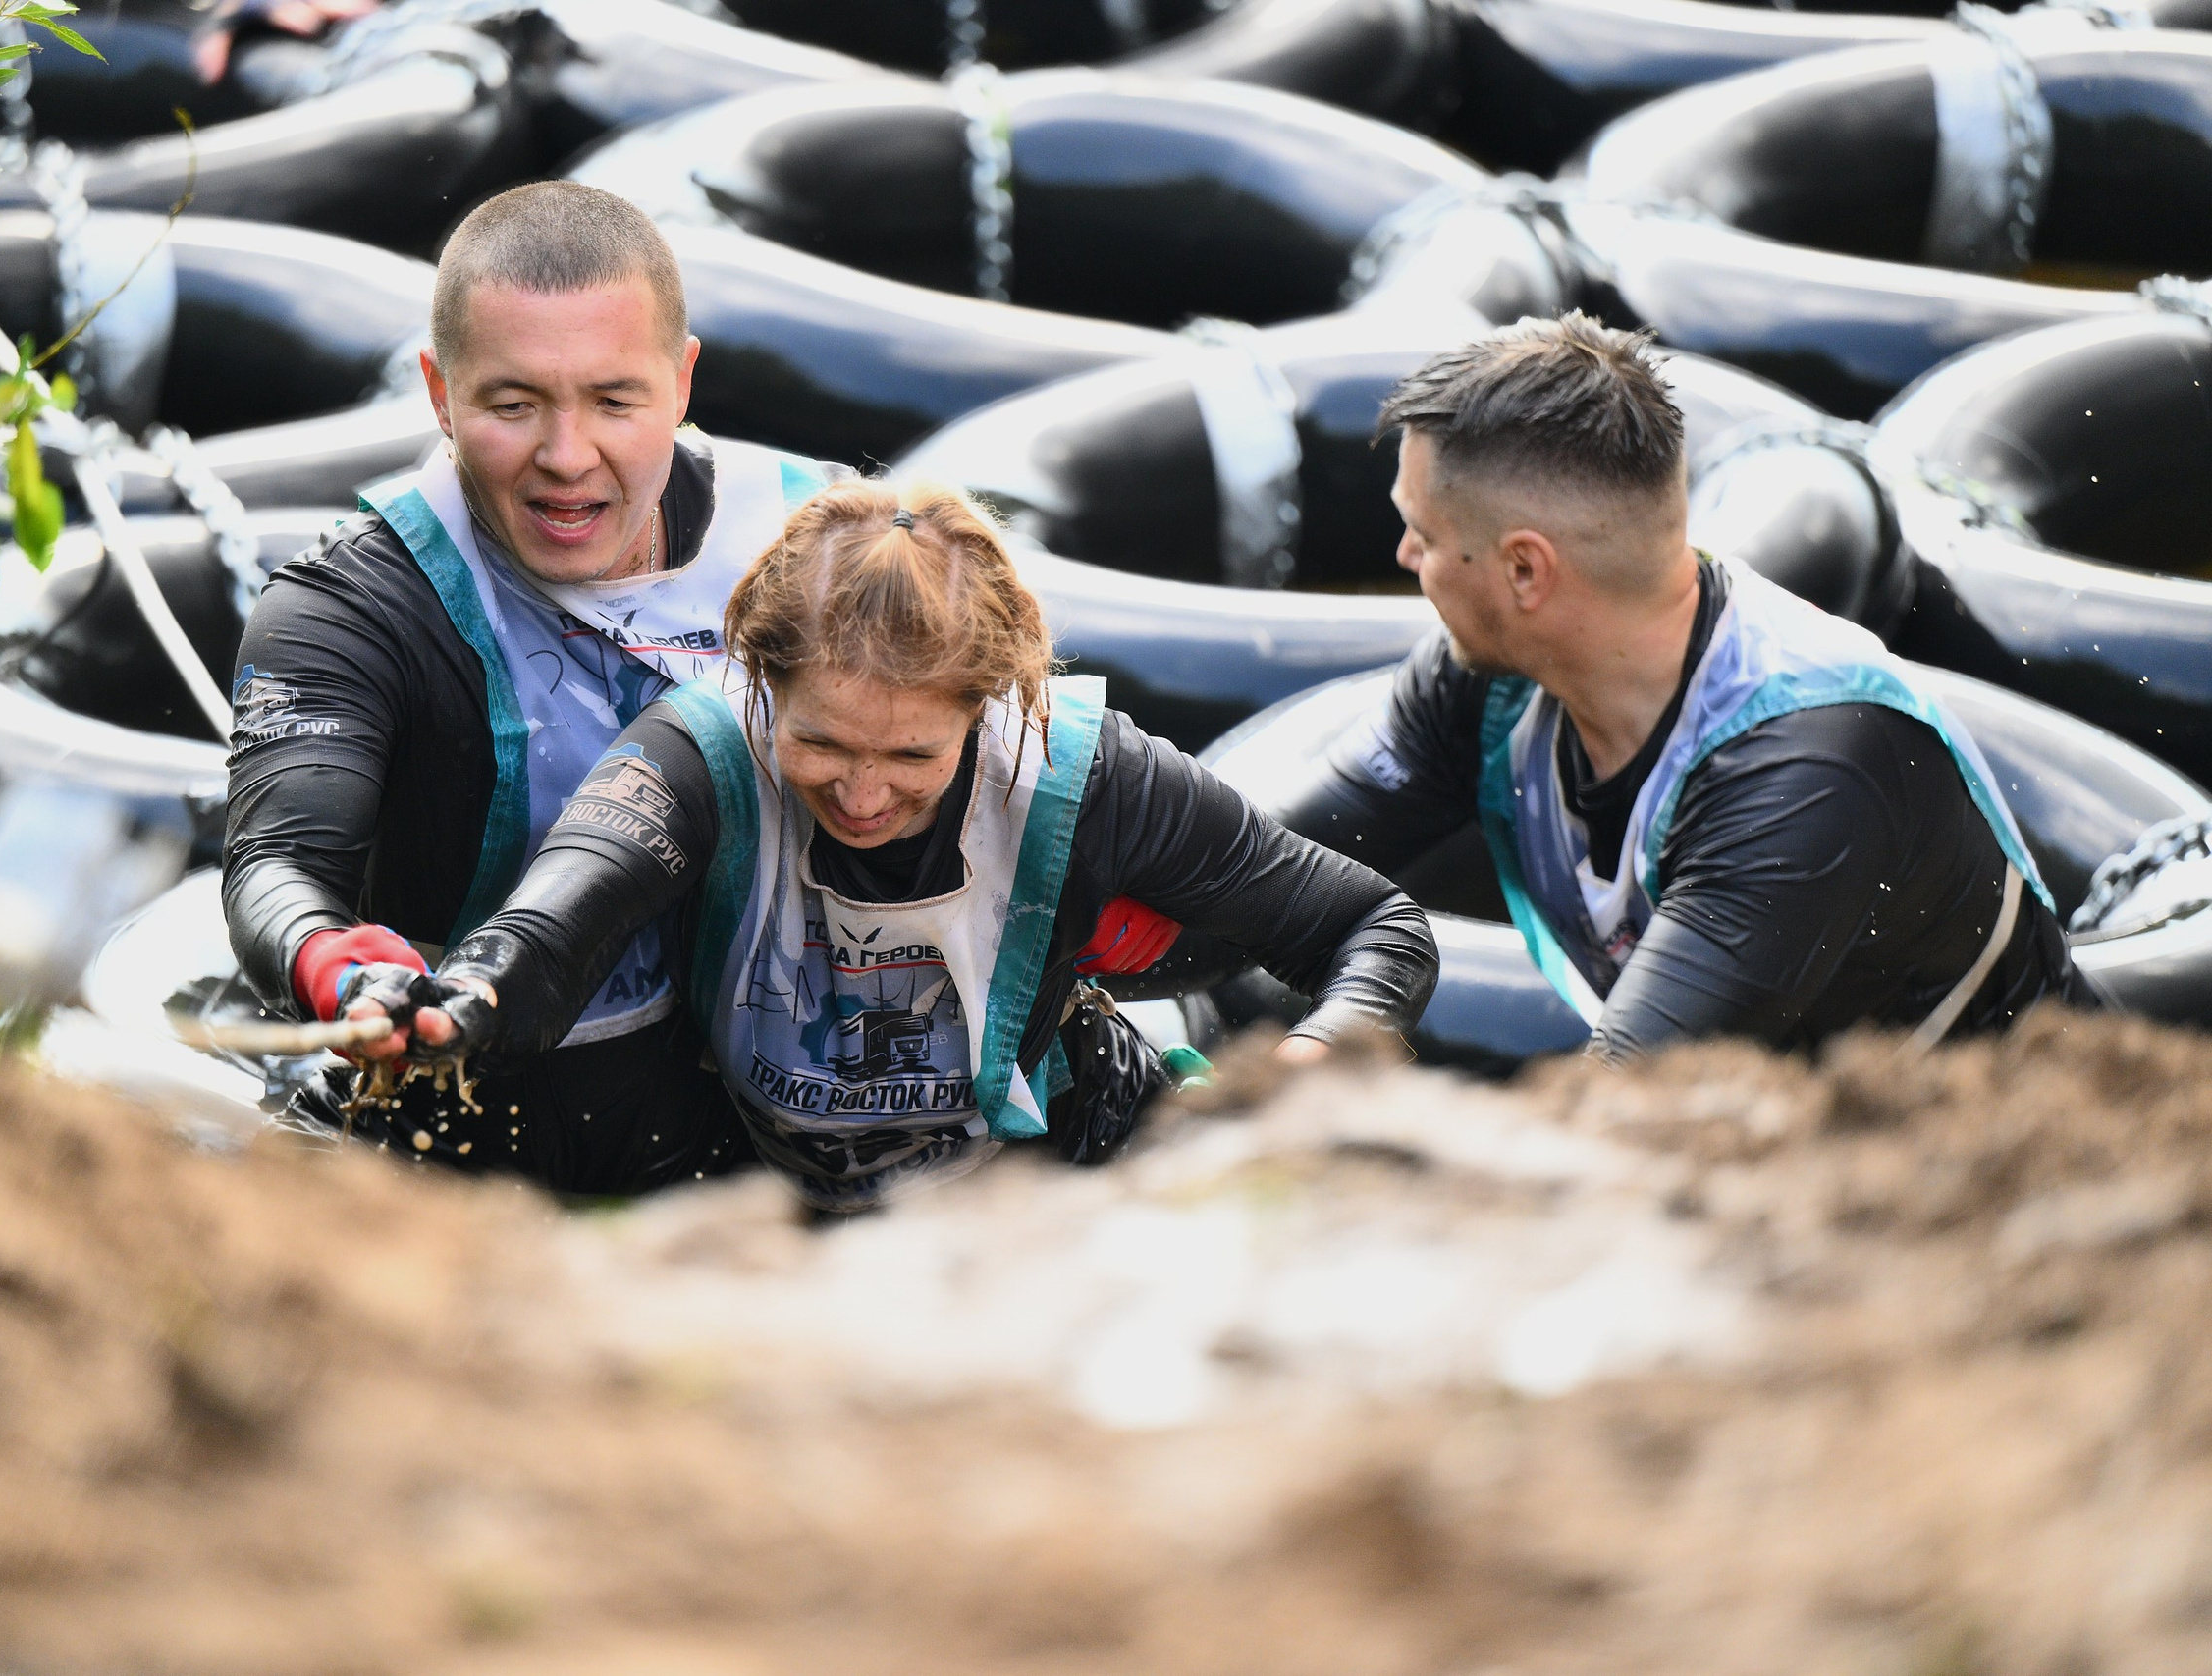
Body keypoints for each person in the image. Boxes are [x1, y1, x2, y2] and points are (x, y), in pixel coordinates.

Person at [356, 481, 1440, 1211]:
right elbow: (550, 929)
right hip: (760, 1170)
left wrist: (1320, 1054)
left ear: (984, 707)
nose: (864, 793)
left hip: (1053, 1158)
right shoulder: (697, 754)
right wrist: (458, 1005)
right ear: (762, 683)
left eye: (913, 758)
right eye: (821, 743)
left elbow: (1375, 927)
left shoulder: (1086, 769)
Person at [1213, 313, 2095, 1062]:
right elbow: (1247, 874)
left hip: (2027, 1193)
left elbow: (1622, 1105)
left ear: (1526, 568)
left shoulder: (1810, 769)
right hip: (1801, 1156)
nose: (1406, 559)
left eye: (1422, 534)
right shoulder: (1485, 686)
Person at [223, 180, 852, 1193]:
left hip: (746, 1103)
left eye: (614, 401)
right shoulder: (348, 602)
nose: (566, 460)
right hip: (453, 1106)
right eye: (512, 405)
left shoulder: (819, 549)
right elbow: (275, 862)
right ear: (438, 391)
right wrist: (332, 962)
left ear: (683, 381)